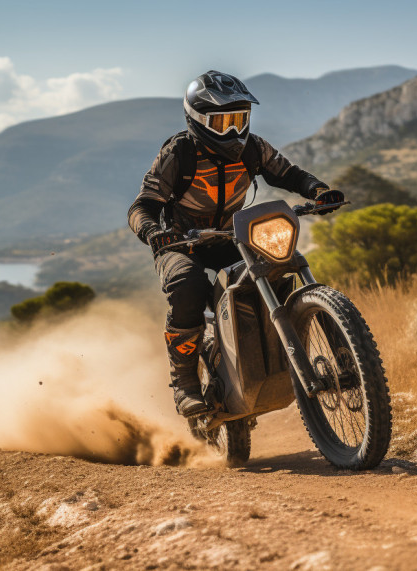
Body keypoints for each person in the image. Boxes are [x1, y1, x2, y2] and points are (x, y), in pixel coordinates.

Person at [127, 70, 345, 417]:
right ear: (197, 120)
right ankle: (184, 382)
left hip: (234, 238)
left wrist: (318, 191)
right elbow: (142, 206)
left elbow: (288, 173)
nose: (233, 130)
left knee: (278, 266)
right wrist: (154, 233)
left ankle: (295, 357)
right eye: (223, 121)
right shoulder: (178, 153)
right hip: (182, 244)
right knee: (188, 286)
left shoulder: (254, 148)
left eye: (239, 119)